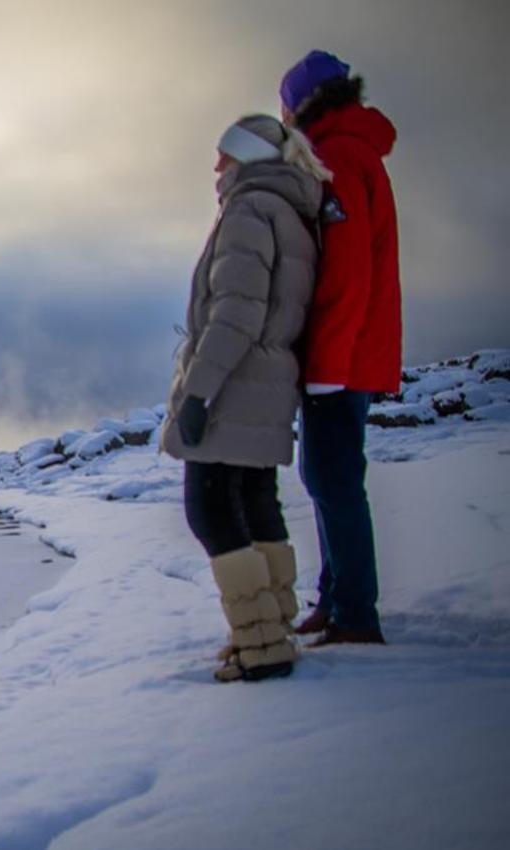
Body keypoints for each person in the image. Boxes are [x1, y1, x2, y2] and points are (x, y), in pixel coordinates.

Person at [159, 114, 331, 682]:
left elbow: (235, 313)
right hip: (269, 383)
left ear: (248, 158)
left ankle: (260, 647)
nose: (215, 167)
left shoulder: (250, 211)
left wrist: (198, 393)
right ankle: (270, 631)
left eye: (224, 155)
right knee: (256, 503)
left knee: (209, 508)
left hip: (236, 384)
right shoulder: (291, 212)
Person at [280, 50, 400, 646]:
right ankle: (336, 597)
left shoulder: (337, 158)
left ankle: (354, 611)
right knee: (326, 475)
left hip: (342, 360)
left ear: (303, 103)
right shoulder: (351, 151)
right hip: (350, 355)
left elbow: (347, 273)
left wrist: (325, 367)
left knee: (334, 480)